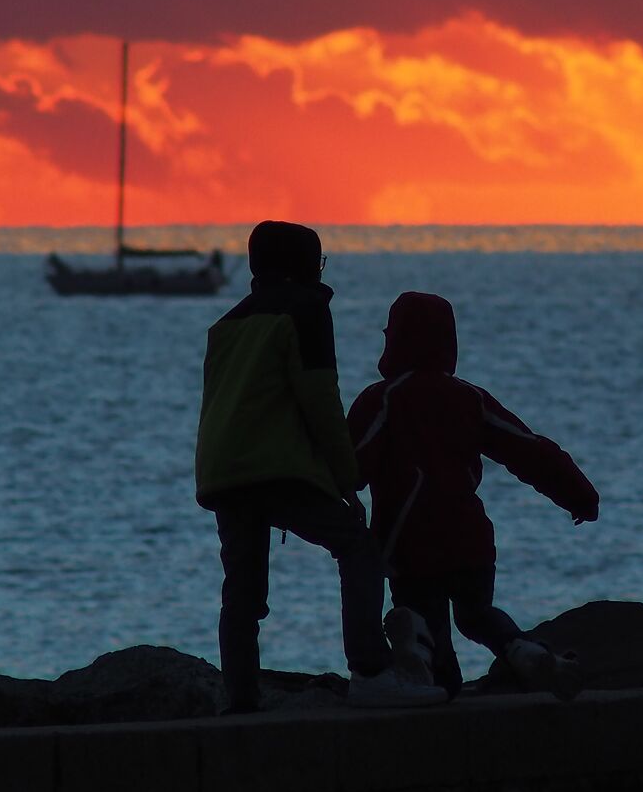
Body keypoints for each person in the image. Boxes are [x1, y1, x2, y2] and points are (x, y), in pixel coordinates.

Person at [194, 222, 448, 713]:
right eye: (320, 262)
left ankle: (240, 698)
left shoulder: (226, 323)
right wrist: (345, 475)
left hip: (222, 468)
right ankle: (371, 671)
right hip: (275, 466)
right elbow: (320, 400)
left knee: (242, 591)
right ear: (305, 266)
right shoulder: (307, 311)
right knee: (358, 547)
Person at [348, 291, 599, 699]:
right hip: (470, 539)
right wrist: (579, 497)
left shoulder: (381, 399)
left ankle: (436, 683)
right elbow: (527, 448)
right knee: (477, 614)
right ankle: (522, 651)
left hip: (409, 542)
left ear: (394, 340)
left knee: (428, 634)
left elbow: (351, 465)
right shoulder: (470, 398)